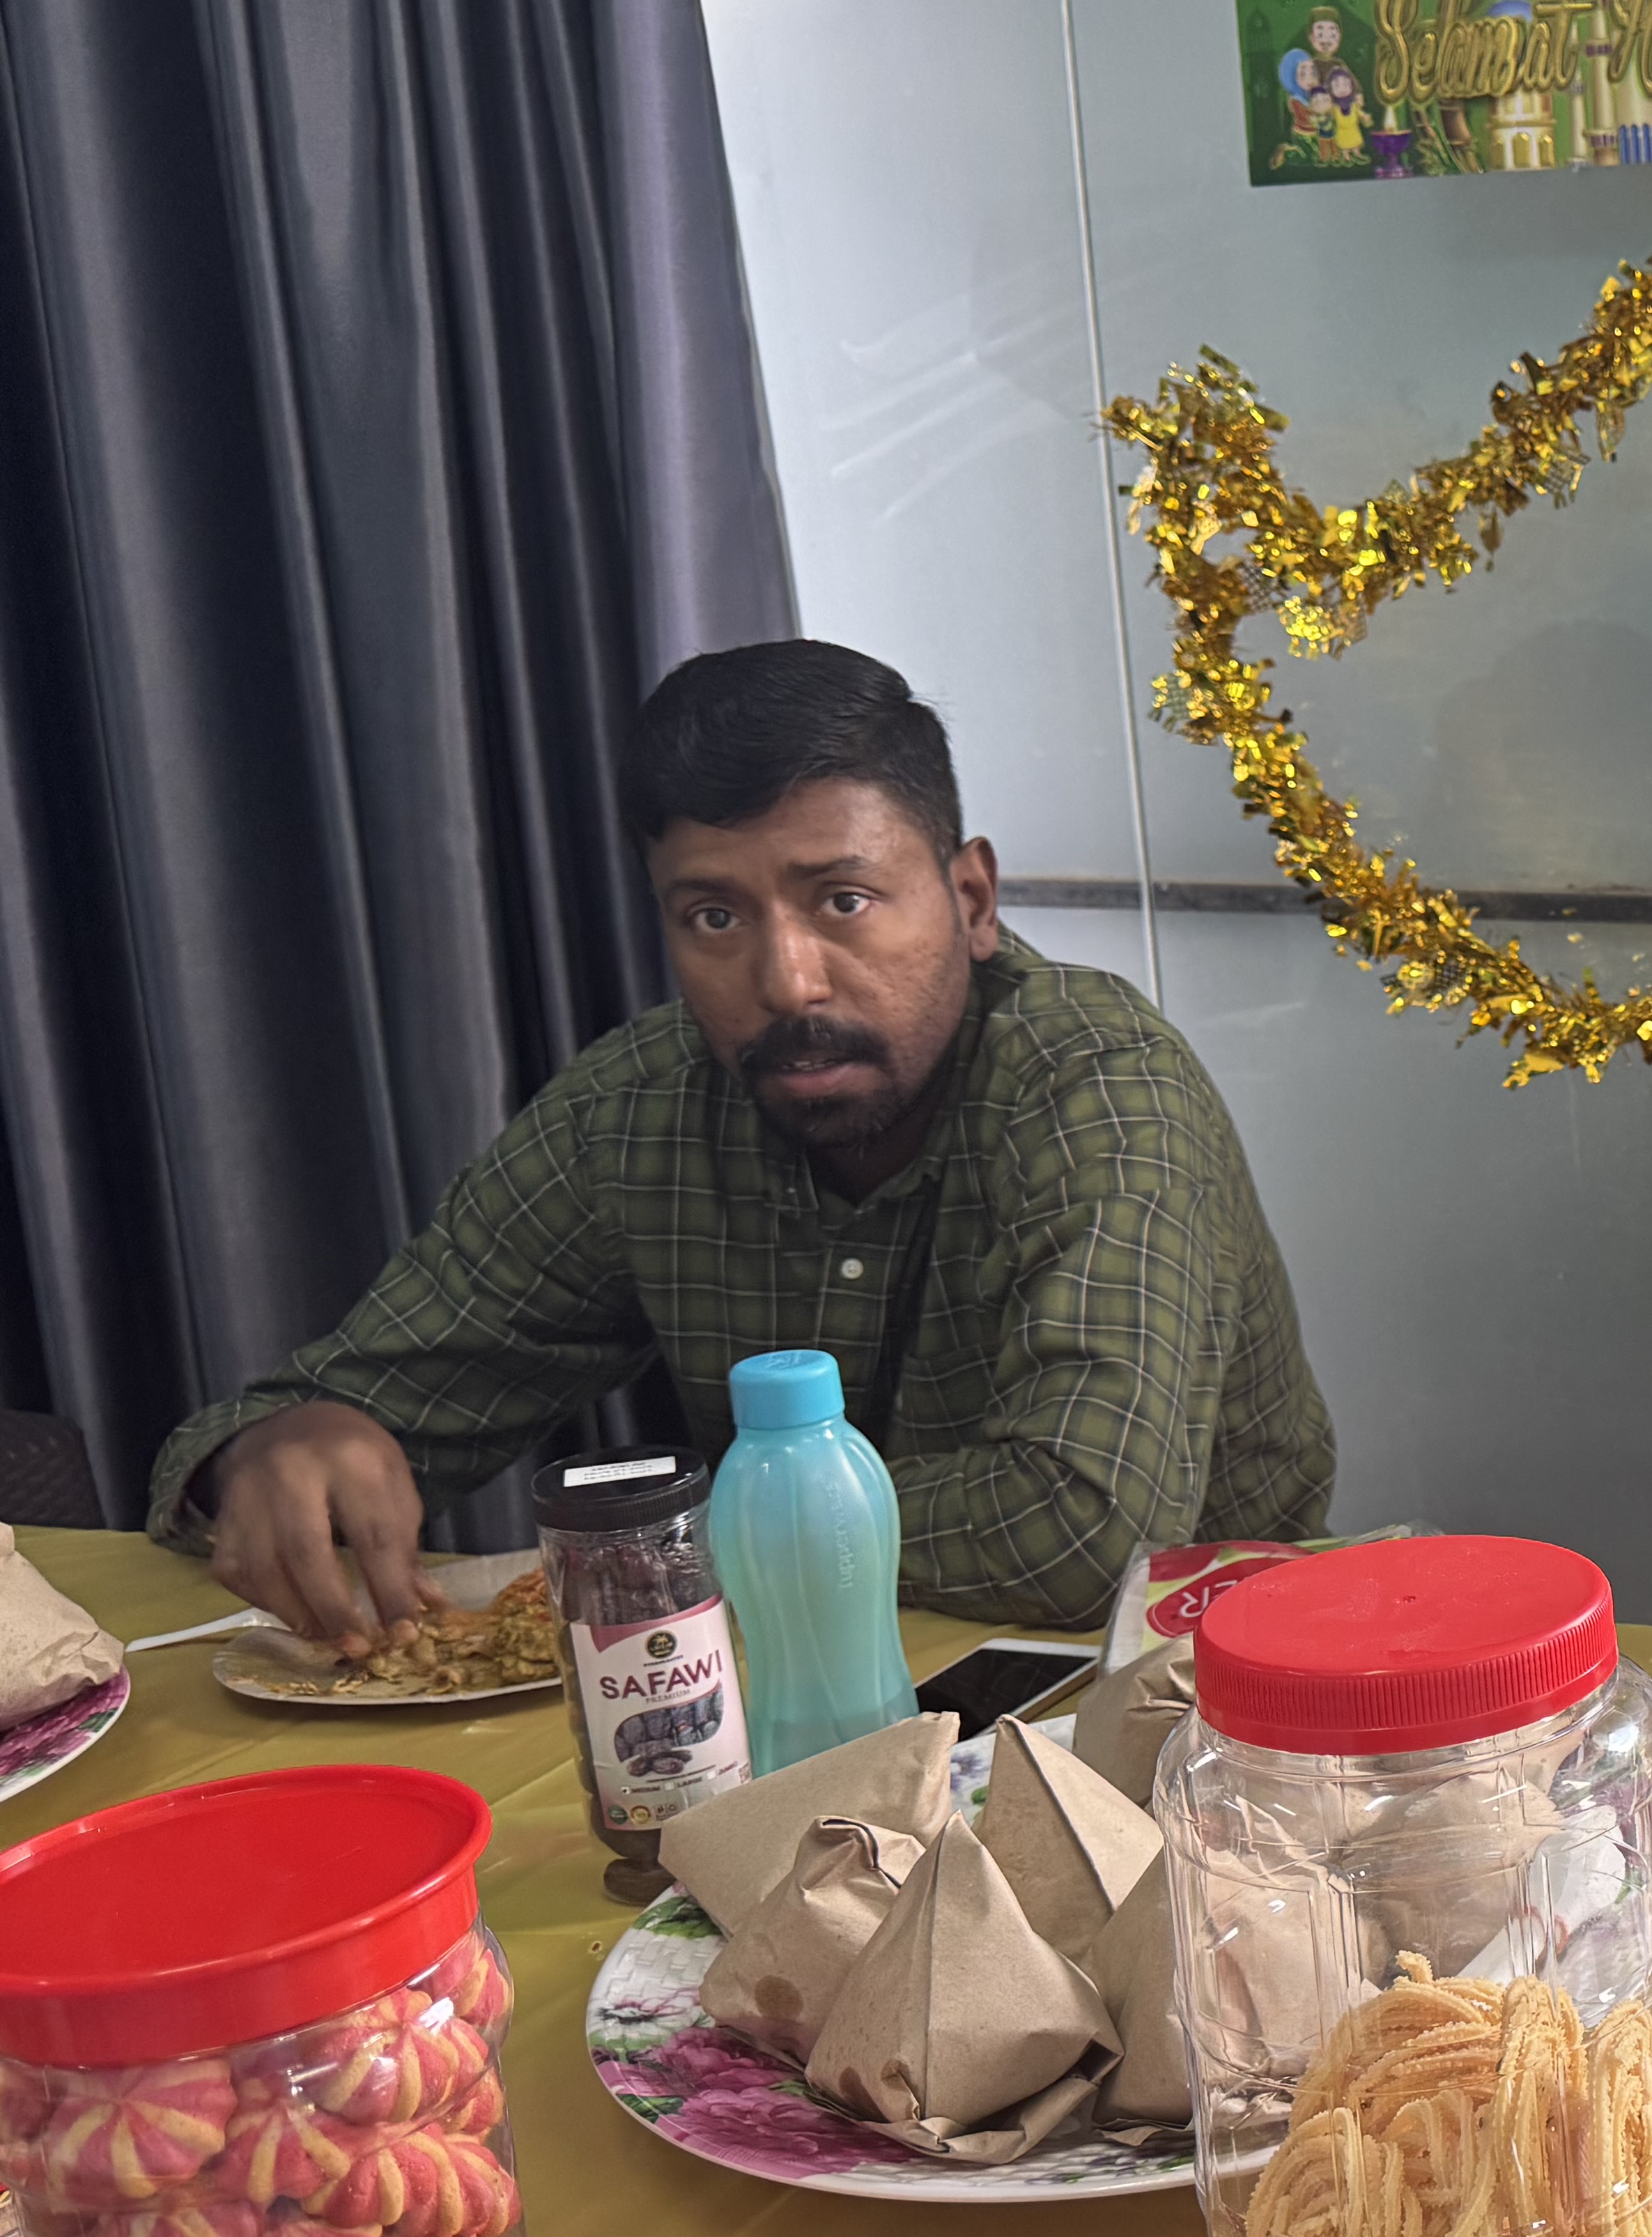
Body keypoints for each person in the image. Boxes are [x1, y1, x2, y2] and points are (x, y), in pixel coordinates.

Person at [151, 640, 1338, 1643]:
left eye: (844, 900)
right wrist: (271, 1455)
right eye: (714, 916)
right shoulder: (638, 1107)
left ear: (972, 902)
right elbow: (334, 1413)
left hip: (1201, 1717)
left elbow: (1082, 1528)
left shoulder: (1100, 1082)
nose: (788, 981)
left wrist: (655, 1546)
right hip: (781, 1711)